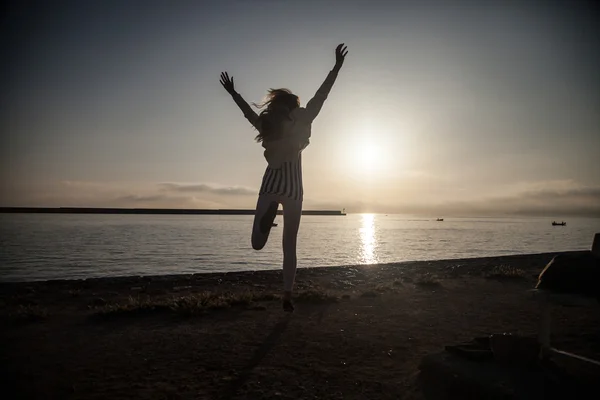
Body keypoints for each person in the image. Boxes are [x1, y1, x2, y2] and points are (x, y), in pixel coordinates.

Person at [220, 43, 348, 311]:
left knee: (257, 245)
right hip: (294, 189)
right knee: (290, 245)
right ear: (293, 107)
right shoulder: (302, 122)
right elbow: (321, 95)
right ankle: (287, 296)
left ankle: (268, 218)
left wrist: (234, 93)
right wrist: (336, 67)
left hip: (270, 185)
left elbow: (247, 113)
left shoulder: (267, 126)